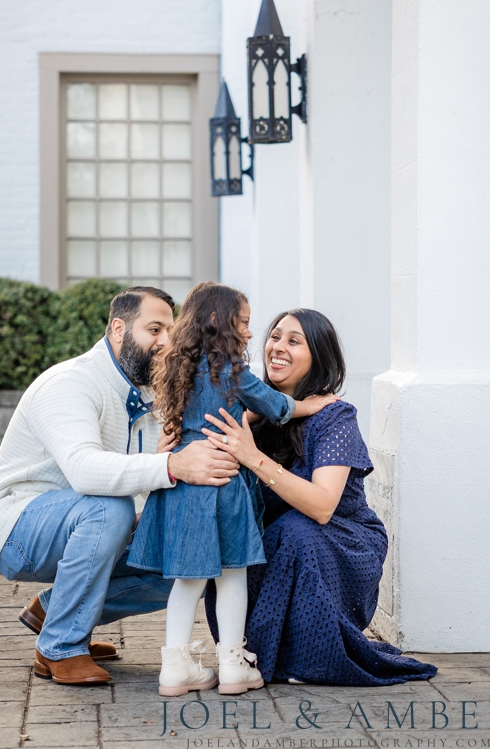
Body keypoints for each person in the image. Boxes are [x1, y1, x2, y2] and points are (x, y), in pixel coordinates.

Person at [0, 286, 247, 686]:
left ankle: (55, 613)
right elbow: (85, 471)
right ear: (119, 329)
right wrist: (169, 463)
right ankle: (60, 647)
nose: (166, 341)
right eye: (154, 329)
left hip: (84, 521)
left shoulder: (150, 392)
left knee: (187, 552)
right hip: (13, 527)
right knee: (108, 509)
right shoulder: (69, 383)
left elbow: (152, 477)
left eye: (171, 330)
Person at [200, 309, 438, 686]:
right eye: (275, 336)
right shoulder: (250, 414)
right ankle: (246, 652)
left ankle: (313, 656)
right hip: (275, 541)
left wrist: (253, 457)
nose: (277, 347)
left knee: (297, 529)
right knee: (240, 540)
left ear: (319, 357)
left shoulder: (334, 417)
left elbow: (323, 506)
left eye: (294, 341)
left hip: (342, 541)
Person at [127, 283, 337, 696]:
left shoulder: (175, 368)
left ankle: (175, 667)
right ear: (216, 322)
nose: (248, 332)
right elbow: (277, 406)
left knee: (186, 581)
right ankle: (232, 665)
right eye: (242, 322)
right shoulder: (232, 373)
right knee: (232, 575)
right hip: (222, 484)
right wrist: (311, 405)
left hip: (183, 485)